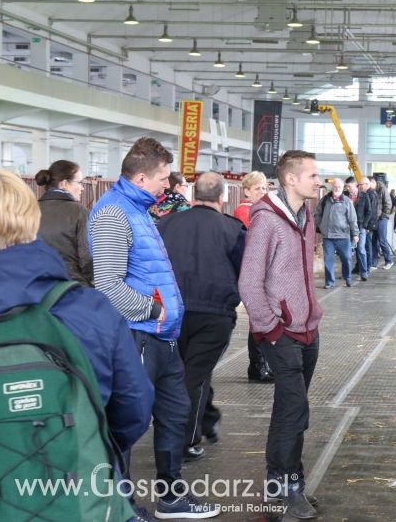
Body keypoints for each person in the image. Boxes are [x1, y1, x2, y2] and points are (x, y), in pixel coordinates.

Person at [0, 170, 153, 522]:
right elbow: (135, 407)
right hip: (81, 500)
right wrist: (85, 439)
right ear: (31, 219)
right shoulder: (89, 309)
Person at [89, 137, 219, 519]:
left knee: (176, 412)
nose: (169, 184)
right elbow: (108, 286)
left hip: (161, 336)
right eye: (164, 177)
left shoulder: (139, 209)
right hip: (137, 334)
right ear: (142, 177)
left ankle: (171, 494)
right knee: (128, 420)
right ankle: (120, 504)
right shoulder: (114, 213)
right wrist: (155, 309)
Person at [239, 150, 323, 520]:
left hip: (307, 328)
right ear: (291, 179)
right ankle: (288, 488)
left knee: (292, 408)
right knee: (294, 409)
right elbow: (248, 281)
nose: (318, 181)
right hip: (281, 332)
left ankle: (284, 482)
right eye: (313, 175)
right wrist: (270, 327)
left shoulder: (306, 216)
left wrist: (311, 315)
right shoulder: (267, 221)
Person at [157, 172, 246, 463]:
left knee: (186, 372)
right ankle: (183, 441)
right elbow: (245, 273)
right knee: (192, 377)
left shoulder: (165, 224)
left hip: (171, 313)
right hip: (214, 316)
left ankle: (206, 420)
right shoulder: (233, 230)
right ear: (223, 197)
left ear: (193, 195)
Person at [233, 171, 274, 383]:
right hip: (253, 273)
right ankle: (258, 365)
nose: (263, 191)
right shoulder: (245, 211)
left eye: (265, 187)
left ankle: (261, 363)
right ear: (247, 190)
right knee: (258, 319)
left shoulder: (263, 210)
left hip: (265, 271)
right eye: (258, 188)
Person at [35, 160, 94, 286]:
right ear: (64, 184)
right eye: (80, 182)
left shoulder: (30, 209)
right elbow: (87, 258)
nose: (82, 188)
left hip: (36, 286)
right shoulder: (79, 211)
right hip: (70, 287)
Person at [315, 178, 359, 289]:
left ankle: (348, 278)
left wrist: (355, 234)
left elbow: (352, 219)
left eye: (339, 186)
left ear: (343, 188)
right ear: (332, 187)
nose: (336, 188)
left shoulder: (347, 201)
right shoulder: (325, 200)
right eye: (335, 186)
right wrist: (321, 226)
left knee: (346, 258)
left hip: (343, 236)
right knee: (328, 259)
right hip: (328, 236)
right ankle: (329, 282)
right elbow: (317, 214)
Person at [344, 176, 373, 282]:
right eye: (346, 186)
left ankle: (364, 272)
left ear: (355, 185)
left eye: (349, 186)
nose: (347, 188)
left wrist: (365, 225)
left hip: (360, 227)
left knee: (361, 249)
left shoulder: (364, 196)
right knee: (347, 251)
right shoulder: (344, 196)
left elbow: (369, 212)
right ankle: (346, 273)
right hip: (347, 228)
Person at [372, 178, 394, 269]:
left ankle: (389, 261)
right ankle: (374, 262)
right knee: (374, 241)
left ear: (374, 182)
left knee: (382, 240)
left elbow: (388, 204)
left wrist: (383, 216)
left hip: (381, 219)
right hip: (374, 219)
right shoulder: (372, 190)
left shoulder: (383, 189)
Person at [364, 177, 380, 273]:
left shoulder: (371, 194)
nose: (360, 186)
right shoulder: (371, 194)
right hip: (370, 224)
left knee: (368, 245)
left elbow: (371, 211)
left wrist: (368, 226)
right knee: (369, 244)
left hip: (368, 225)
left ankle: (369, 265)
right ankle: (369, 264)